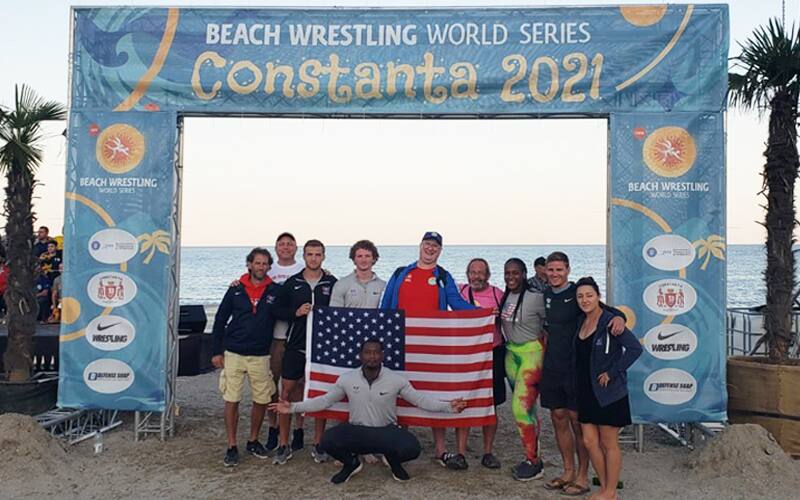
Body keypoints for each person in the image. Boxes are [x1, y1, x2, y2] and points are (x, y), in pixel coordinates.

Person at [269, 338, 468, 484]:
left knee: (413, 447)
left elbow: (421, 400)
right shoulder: (347, 378)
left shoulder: (396, 379)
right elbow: (324, 401)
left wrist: (448, 407)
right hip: (358, 431)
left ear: (382, 355)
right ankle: (351, 463)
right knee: (327, 441)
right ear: (361, 355)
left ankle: (393, 461)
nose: (372, 356)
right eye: (368, 352)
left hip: (385, 432)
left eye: (376, 352)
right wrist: (292, 407)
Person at [380, 231, 476, 469]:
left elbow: (457, 304)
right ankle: (398, 446)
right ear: (420, 245)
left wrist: (481, 312)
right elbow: (386, 306)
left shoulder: (443, 276)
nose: (430, 248)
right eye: (427, 244)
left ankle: (440, 450)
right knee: (400, 393)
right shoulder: (401, 273)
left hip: (433, 344)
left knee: (436, 392)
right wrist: (382, 337)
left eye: (435, 245)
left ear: (440, 250)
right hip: (401, 343)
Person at [541, 252, 626, 496]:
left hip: (575, 369)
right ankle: (568, 471)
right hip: (552, 367)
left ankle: (582, 476)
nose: (555, 274)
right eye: (551, 269)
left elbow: (607, 311)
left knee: (578, 423)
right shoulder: (545, 294)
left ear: (568, 270)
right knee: (558, 418)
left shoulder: (577, 293)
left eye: (559, 269)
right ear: (545, 271)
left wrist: (620, 318)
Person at [574, 277, 642, 500]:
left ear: (598, 297)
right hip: (586, 390)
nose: (585, 300)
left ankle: (610, 491)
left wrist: (613, 372)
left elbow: (635, 349)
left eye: (589, 295)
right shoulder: (581, 321)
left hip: (609, 392)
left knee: (608, 442)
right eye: (580, 296)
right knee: (589, 441)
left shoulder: (610, 321)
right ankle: (605, 488)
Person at [211, 247, 280, 467]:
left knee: (262, 399)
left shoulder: (275, 290)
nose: (261, 267)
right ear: (249, 264)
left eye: (265, 263)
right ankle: (232, 445)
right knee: (232, 399)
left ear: (269, 266)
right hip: (234, 353)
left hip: (260, 355)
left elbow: (290, 308)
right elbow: (220, 319)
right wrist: (215, 351)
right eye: (257, 263)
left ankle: (253, 440)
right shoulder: (235, 289)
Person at [272, 239, 337, 465]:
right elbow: (276, 310)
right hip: (296, 346)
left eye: (318, 254)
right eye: (310, 254)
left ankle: (319, 444)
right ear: (304, 256)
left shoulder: (332, 282)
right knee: (287, 392)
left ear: (323, 256)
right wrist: (296, 312)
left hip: (322, 348)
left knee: (320, 394)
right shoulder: (293, 283)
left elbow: (341, 312)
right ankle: (283, 444)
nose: (314, 258)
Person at [499, 258, 547, 480]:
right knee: (529, 410)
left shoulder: (536, 297)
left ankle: (533, 461)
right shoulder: (505, 296)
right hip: (511, 355)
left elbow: (555, 319)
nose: (511, 277)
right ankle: (534, 456)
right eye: (507, 273)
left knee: (520, 409)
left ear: (524, 274)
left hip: (532, 355)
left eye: (515, 273)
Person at [456, 258, 505, 470]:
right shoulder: (459, 292)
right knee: (463, 402)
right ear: (467, 274)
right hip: (467, 354)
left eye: (481, 272)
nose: (476, 276)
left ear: (488, 275)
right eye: (473, 272)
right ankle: (460, 452)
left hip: (493, 353)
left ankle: (487, 452)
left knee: (491, 404)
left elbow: (510, 319)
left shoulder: (497, 295)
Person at [265, 232, 305, 451]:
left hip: (297, 337)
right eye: (282, 244)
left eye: (290, 244)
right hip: (273, 336)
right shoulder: (268, 270)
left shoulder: (303, 269)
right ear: (276, 247)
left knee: (297, 385)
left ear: (296, 248)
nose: (286, 247)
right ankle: (273, 427)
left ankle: (298, 428)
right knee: (272, 384)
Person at [330, 240, 385, 309]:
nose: (363, 260)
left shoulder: (383, 286)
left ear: (374, 259)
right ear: (354, 260)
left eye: (367, 256)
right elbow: (334, 312)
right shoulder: (341, 284)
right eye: (359, 256)